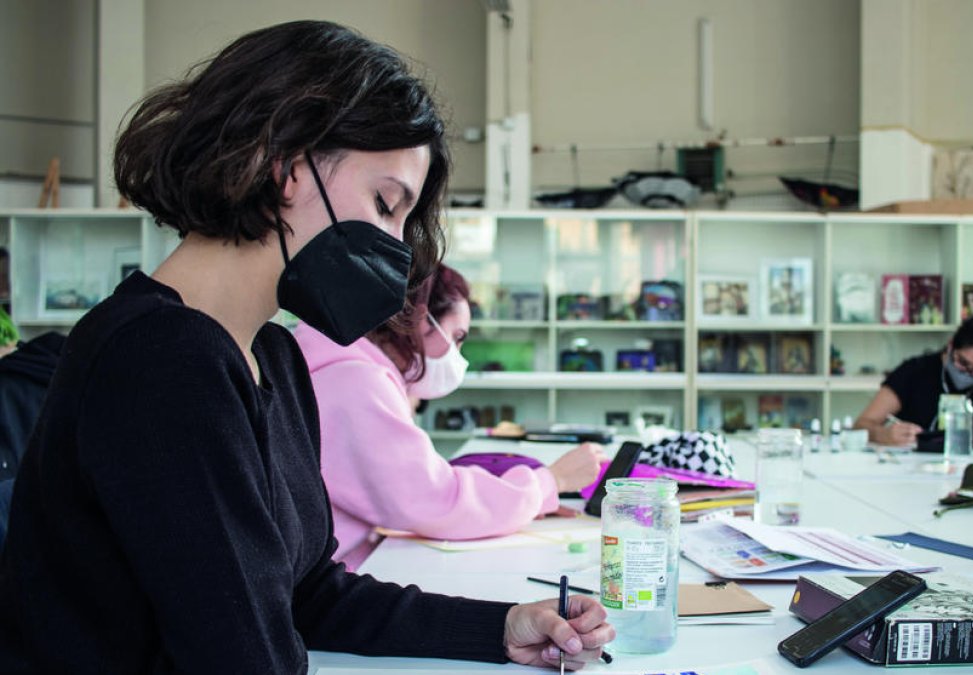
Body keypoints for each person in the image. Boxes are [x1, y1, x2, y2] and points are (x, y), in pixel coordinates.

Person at [0, 21, 611, 672]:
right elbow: (240, 656)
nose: (398, 247)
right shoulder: (158, 358)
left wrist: (502, 628)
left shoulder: (275, 355)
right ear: (284, 163)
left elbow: (309, 593)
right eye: (384, 202)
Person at [295, 263, 605, 569]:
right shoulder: (356, 383)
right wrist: (551, 482)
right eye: (456, 336)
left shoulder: (345, 371)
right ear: (418, 316)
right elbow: (438, 501)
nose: (456, 354)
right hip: (330, 593)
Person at [854, 315, 973, 447]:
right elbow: (861, 425)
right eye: (962, 363)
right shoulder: (914, 371)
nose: (968, 373)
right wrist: (883, 435)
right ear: (951, 347)